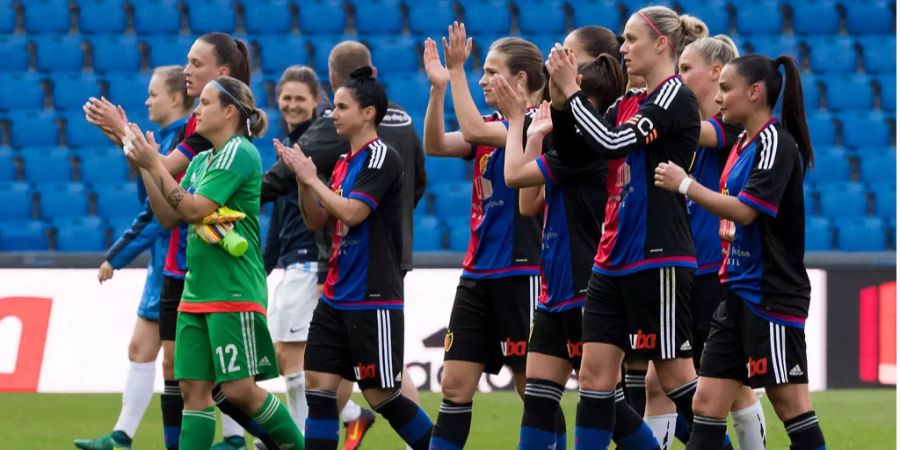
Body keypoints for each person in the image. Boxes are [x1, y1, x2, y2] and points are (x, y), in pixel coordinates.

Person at [83, 32, 278, 450]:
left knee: (228, 388)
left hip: (215, 274)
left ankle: (274, 440)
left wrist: (126, 135)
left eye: (195, 63)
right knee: (184, 376)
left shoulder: (218, 135)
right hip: (185, 265)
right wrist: (131, 145)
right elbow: (161, 180)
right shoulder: (202, 126)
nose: (186, 70)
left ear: (221, 75)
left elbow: (167, 172)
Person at [545, 6, 707, 449]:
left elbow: (613, 141)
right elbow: (579, 152)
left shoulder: (674, 96)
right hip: (612, 258)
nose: (623, 48)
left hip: (658, 255)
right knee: (595, 377)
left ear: (662, 44)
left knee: (675, 377)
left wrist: (570, 92)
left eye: (632, 39)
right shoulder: (626, 102)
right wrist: (562, 105)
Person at [260, 41, 427, 450]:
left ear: (368, 113)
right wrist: (304, 181)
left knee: (381, 395)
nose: (333, 114)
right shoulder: (342, 162)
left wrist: (311, 179)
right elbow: (318, 217)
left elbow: (352, 213)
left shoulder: (379, 157)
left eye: (340, 107)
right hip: (336, 293)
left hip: (372, 295)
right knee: (318, 389)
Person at [654, 53, 825, 450]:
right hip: (735, 294)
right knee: (706, 403)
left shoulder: (775, 144)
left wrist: (686, 185)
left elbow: (747, 211)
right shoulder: (743, 144)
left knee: (791, 404)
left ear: (755, 92)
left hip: (769, 295)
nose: (719, 98)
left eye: (727, 89)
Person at [125, 75, 305, 450]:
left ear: (229, 111)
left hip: (232, 289)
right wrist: (146, 167)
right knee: (193, 389)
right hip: (197, 291)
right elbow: (168, 217)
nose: (197, 110)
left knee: (239, 390)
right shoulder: (203, 159)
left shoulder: (239, 152)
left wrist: (154, 165)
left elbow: (192, 209)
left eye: (205, 103)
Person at [422, 22, 544, 449]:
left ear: (521, 80)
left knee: (533, 390)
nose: (482, 78)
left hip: (522, 271)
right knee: (454, 386)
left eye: (491, 71)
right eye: (482, 70)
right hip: (477, 274)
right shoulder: (496, 124)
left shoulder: (536, 123)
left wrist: (456, 69)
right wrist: (440, 88)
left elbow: (472, 131)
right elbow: (436, 144)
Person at [643, 36, 768, 450]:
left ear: (716, 73)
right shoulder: (689, 125)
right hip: (684, 270)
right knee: (663, 382)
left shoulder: (728, 124)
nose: (679, 77)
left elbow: (694, 133)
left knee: (729, 387)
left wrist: (652, 106)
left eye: (685, 69)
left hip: (714, 272)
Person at [73, 65, 192, 450]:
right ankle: (122, 435)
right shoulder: (173, 137)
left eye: (154, 93)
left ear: (175, 98)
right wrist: (120, 137)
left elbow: (161, 212)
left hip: (180, 259)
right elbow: (148, 175)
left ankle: (237, 436)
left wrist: (117, 256)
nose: (147, 100)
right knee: (142, 350)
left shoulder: (183, 139)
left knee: (191, 367)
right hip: (165, 261)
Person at [259, 65, 323, 436]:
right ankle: (347, 418)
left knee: (289, 356)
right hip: (293, 262)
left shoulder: (317, 145)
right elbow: (279, 219)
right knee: (296, 358)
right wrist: (264, 264)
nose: (292, 104)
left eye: (301, 98)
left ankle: (297, 438)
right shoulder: (291, 147)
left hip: (310, 262)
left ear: (317, 101)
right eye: (287, 97)